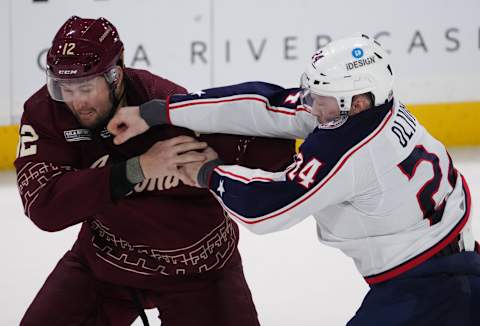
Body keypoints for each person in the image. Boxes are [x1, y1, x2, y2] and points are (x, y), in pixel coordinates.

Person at [108, 35, 480, 325]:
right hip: (461, 260)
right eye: (314, 93)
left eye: (324, 100)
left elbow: (268, 209)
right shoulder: (370, 108)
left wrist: (207, 172)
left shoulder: (350, 149)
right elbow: (266, 105)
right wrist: (161, 111)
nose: (312, 106)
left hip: (430, 289)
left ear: (360, 102)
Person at [15, 15, 297, 326]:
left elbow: (272, 151)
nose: (75, 102)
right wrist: (136, 170)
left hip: (200, 270)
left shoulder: (164, 102)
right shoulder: (47, 111)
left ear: (116, 74)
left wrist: (213, 170)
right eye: (64, 88)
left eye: (85, 87)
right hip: (105, 263)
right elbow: (45, 207)